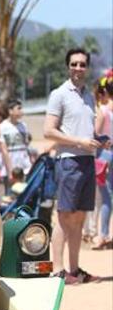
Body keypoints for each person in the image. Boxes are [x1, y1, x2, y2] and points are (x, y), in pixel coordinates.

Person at [43, 48, 111, 283]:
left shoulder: (89, 97)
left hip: (87, 160)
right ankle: (59, 270)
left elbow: (87, 131)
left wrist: (101, 141)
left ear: (87, 68)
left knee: (80, 217)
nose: (78, 68)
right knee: (64, 216)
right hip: (68, 161)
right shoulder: (59, 94)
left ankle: (74, 269)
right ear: (67, 66)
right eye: (74, 64)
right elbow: (48, 131)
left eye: (82, 64)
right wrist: (79, 141)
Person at [92, 71, 113, 249]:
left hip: (104, 156)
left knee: (105, 197)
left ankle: (102, 234)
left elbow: (95, 135)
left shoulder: (103, 111)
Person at [0, 100, 32, 196]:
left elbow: (26, 146)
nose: (21, 111)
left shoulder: (23, 126)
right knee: (10, 196)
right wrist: (10, 171)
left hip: (25, 168)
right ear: (10, 111)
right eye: (18, 108)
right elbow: (4, 150)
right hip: (11, 168)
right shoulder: (2, 127)